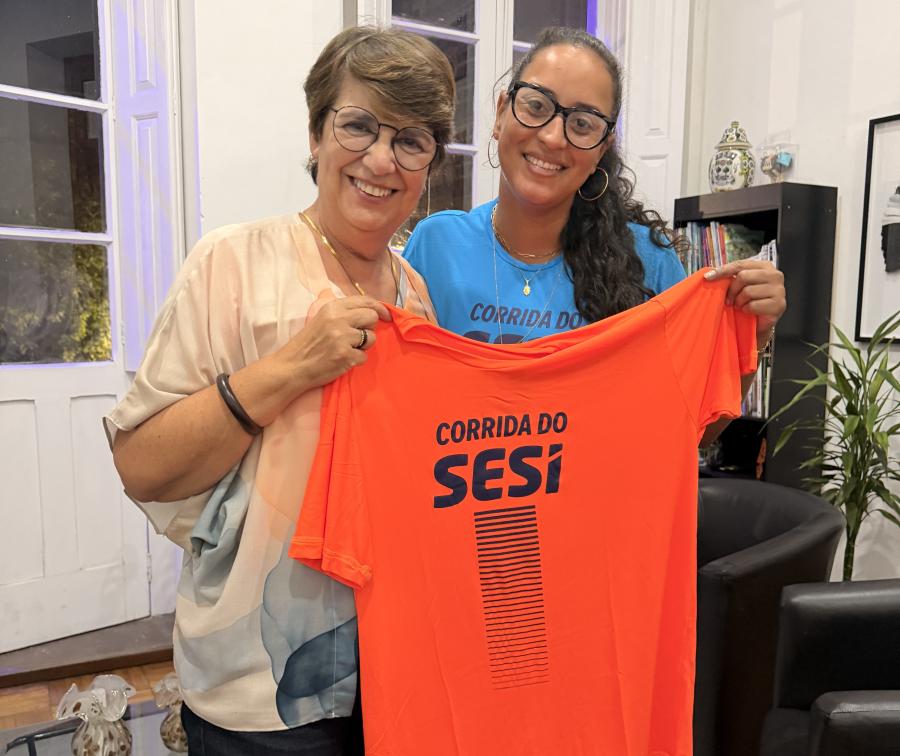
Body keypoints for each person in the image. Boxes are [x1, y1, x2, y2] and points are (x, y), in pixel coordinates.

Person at [105, 27, 454, 755]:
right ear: (317, 133)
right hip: (256, 690)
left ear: (429, 165)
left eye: (411, 140)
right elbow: (142, 466)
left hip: (396, 675)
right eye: (359, 125)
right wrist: (293, 366)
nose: (381, 159)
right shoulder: (233, 264)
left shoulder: (417, 297)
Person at [404, 26, 786, 441]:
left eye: (582, 123)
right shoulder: (436, 245)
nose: (553, 136)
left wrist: (754, 330)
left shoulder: (647, 262)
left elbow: (695, 428)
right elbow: (400, 401)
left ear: (602, 147)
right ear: (501, 113)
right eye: (536, 105)